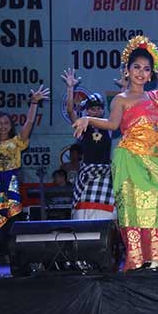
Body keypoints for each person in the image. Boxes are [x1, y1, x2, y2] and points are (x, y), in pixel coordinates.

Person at [72, 36, 158, 271]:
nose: (141, 72)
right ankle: (137, 259)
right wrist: (88, 118)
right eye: (136, 67)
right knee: (136, 207)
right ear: (127, 71)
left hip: (152, 161)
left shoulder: (157, 97)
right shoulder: (120, 100)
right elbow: (112, 125)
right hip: (129, 158)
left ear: (151, 74)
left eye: (146, 69)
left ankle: (157, 257)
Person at [0, 84, 50, 254]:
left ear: (11, 125)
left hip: (10, 182)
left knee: (13, 218)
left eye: (6, 123)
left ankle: (13, 252)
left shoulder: (17, 141)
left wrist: (33, 104)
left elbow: (29, 122)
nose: (3, 126)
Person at [62, 68, 116, 221]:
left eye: (98, 108)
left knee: (108, 214)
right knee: (83, 214)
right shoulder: (82, 126)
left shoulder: (109, 126)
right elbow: (70, 110)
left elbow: (122, 113)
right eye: (92, 109)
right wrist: (70, 87)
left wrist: (125, 87)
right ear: (86, 111)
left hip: (106, 174)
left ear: (103, 111)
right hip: (87, 174)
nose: (95, 112)